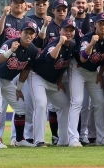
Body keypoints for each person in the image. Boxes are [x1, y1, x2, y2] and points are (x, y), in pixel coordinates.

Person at [68, 13, 104, 147]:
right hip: (78, 69)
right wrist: (91, 44)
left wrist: (101, 73)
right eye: (100, 23)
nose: (103, 26)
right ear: (95, 24)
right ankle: (73, 139)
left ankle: (102, 139)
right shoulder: (88, 38)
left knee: (100, 101)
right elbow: (83, 58)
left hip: (93, 72)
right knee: (77, 101)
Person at [30, 19, 78, 147]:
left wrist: (60, 80)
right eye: (65, 30)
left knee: (64, 105)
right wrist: (60, 44)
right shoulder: (54, 42)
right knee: (41, 104)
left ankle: (63, 140)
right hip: (38, 77)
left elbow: (64, 64)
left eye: (71, 30)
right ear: (59, 30)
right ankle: (39, 140)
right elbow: (51, 59)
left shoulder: (72, 45)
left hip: (53, 82)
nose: (68, 33)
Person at [0, 21, 39, 148]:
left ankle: (19, 140)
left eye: (32, 33)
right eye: (26, 32)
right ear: (20, 33)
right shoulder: (10, 43)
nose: (28, 35)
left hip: (7, 81)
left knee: (21, 107)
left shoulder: (33, 50)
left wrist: (19, 88)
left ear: (35, 35)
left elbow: (25, 70)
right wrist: (10, 51)